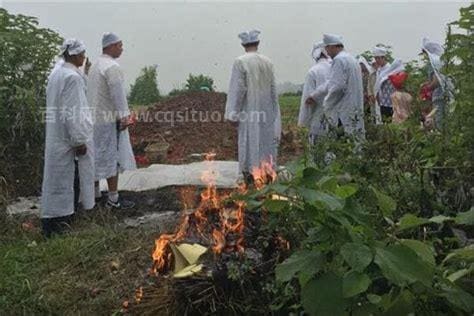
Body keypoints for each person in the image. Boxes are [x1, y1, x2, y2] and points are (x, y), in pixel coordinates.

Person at [41, 39, 95, 237]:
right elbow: (74, 112)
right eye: (82, 54)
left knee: (56, 181)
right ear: (73, 55)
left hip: (57, 137)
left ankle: (52, 223)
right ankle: (61, 225)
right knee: (66, 182)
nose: (84, 57)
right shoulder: (71, 78)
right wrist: (79, 140)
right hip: (67, 139)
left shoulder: (57, 73)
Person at [225, 29, 281, 184]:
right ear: (258, 43)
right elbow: (273, 90)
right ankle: (267, 173)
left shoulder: (241, 62)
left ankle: (250, 175)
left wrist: (233, 114)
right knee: (265, 141)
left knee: (249, 142)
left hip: (248, 111)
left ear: (243, 44)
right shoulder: (268, 62)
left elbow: (238, 89)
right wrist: (274, 112)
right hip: (266, 111)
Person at [87, 33, 136, 209]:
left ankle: (94, 195)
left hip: (93, 120)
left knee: (95, 157)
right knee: (110, 158)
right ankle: (113, 199)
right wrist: (125, 117)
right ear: (111, 46)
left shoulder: (94, 66)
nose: (122, 49)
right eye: (120, 45)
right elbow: (118, 94)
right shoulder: (111, 66)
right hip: (108, 122)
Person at [321, 34, 365, 139]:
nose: (326, 52)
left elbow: (337, 87)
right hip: (354, 106)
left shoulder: (339, 60)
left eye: (327, 48)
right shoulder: (352, 59)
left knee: (343, 139)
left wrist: (327, 103)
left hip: (343, 109)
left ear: (333, 46)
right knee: (355, 139)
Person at [298, 42, 331, 145]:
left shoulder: (313, 71)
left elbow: (307, 101)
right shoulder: (334, 69)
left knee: (317, 151)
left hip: (317, 119)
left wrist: (302, 123)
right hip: (334, 118)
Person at [420, 37, 453, 129]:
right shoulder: (441, 61)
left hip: (439, 96)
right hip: (445, 93)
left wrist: (427, 88)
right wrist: (427, 83)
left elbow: (436, 81)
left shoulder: (433, 63)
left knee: (440, 121)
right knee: (447, 119)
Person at [373, 46, 398, 122]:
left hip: (389, 102)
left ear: (383, 58)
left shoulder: (390, 69)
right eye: (376, 58)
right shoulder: (379, 69)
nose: (377, 60)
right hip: (381, 101)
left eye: (378, 58)